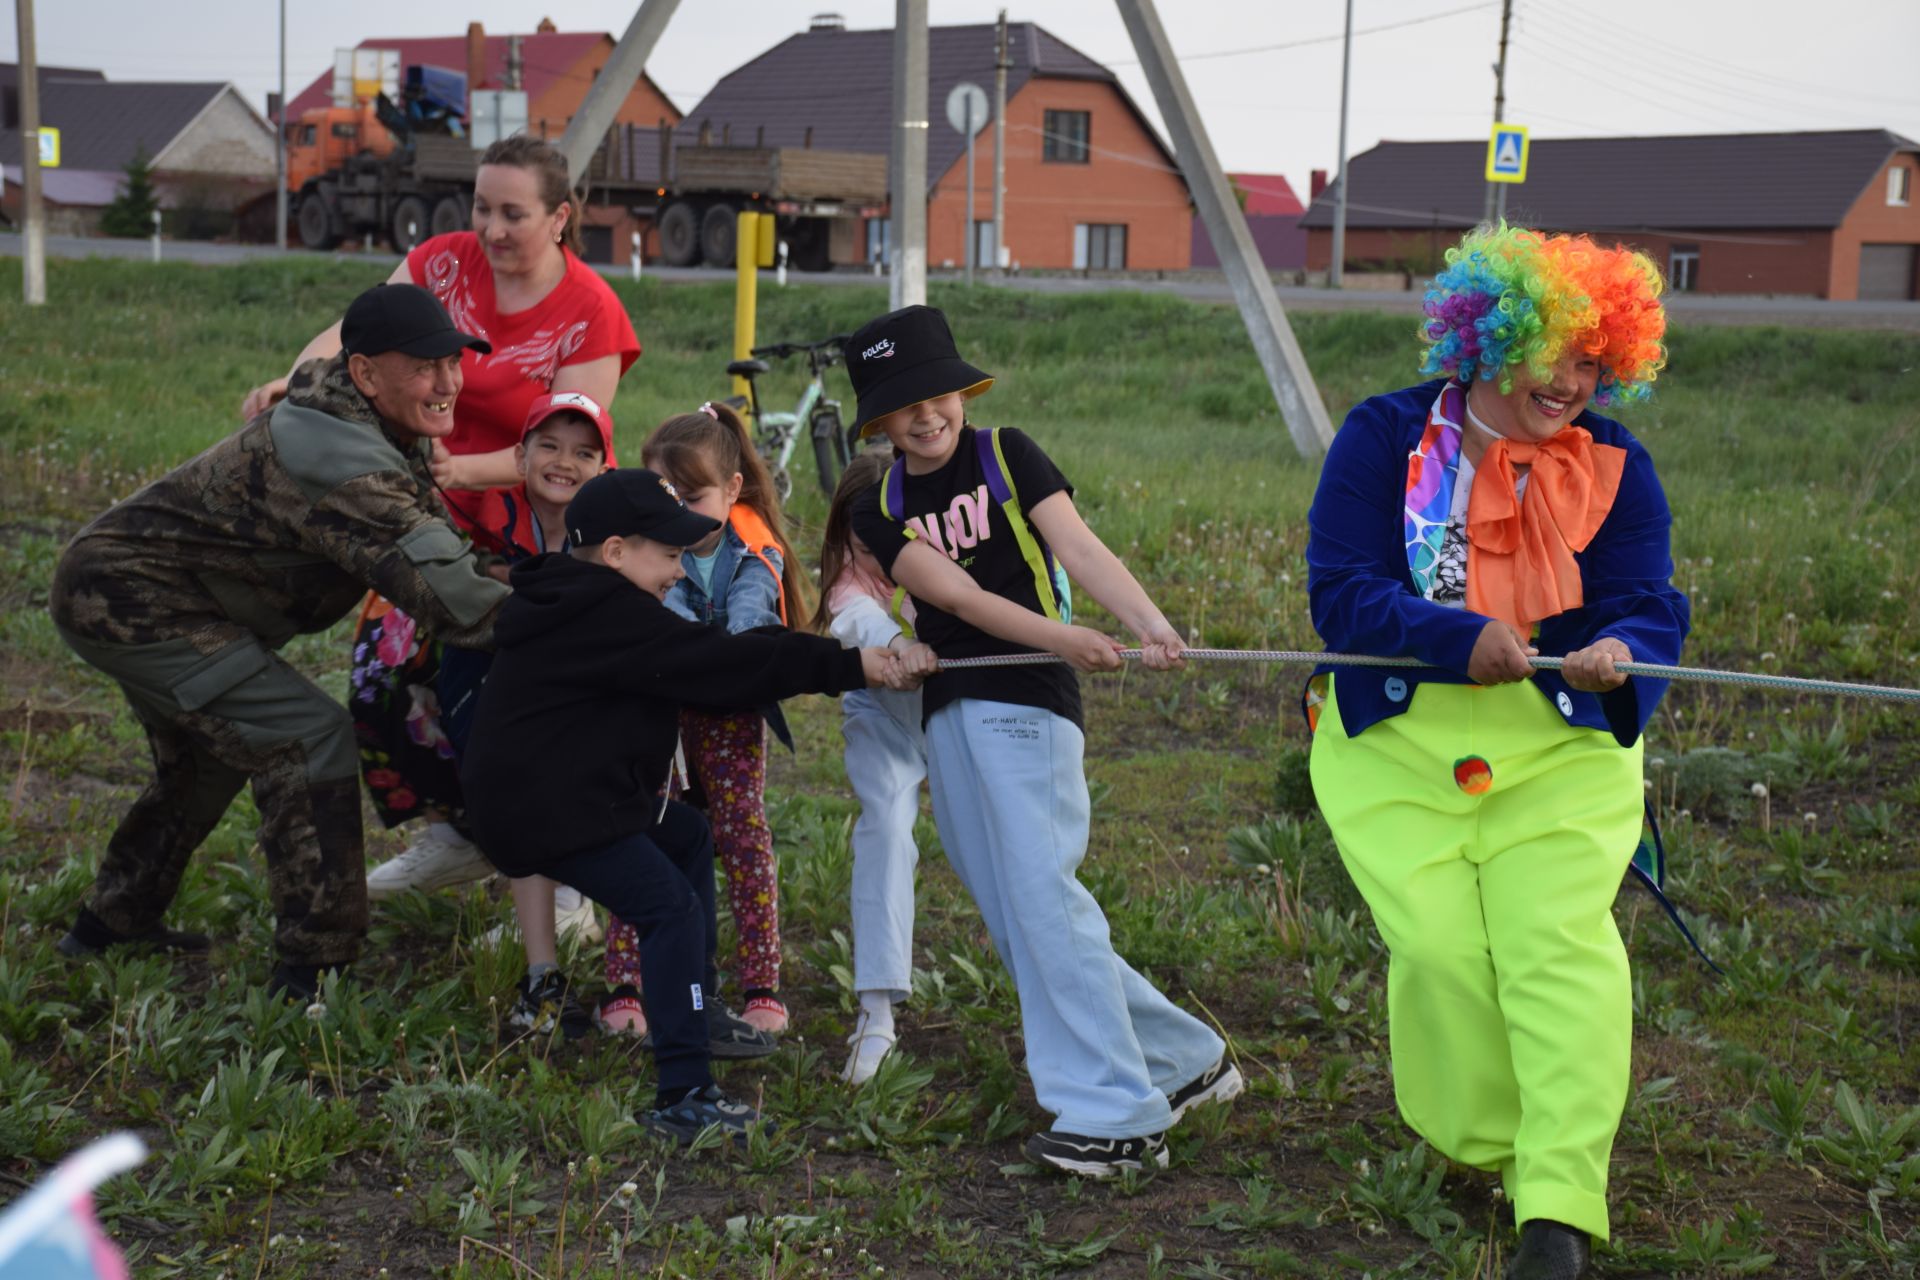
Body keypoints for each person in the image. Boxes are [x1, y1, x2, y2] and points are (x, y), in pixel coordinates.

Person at [1303, 225, 1687, 1280]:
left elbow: (1648, 603)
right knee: (1438, 952)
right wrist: (1452, 636)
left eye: (1594, 361)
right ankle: (1493, 1141)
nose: (1572, 381)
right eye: (1554, 351)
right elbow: (1340, 591)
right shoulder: (1384, 436)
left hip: (1557, 746)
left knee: (1556, 949)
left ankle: (1556, 1203)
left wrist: (1623, 648)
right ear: (1492, 335)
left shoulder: (1617, 462)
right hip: (1397, 739)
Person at [846, 305, 1244, 1178]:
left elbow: (1079, 547)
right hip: (951, 705)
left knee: (1041, 895)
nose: (926, 416)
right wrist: (1070, 635)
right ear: (877, 419)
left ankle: (1116, 1115)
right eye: (902, 406)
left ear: (962, 387)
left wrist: (1148, 623)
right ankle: (1185, 1062)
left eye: (938, 394)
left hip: (1028, 698)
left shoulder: (1007, 453)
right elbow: (952, 595)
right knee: (1019, 916)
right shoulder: (880, 505)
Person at [49, 283, 508, 1000]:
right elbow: (458, 602)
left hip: (147, 593)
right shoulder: (338, 451)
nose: (448, 382)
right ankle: (312, 968)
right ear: (364, 373)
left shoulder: (372, 422)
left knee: (206, 761)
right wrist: (591, 623)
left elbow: (444, 560)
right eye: (425, 366)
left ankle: (108, 925)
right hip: (128, 601)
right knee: (303, 736)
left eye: (454, 361)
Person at [242, 134, 642, 908]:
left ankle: (566, 880)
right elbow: (358, 332)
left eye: (513, 213)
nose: (491, 228)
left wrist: (462, 469)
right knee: (382, 681)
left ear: (560, 218)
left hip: (535, 527)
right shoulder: (441, 263)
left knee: (521, 704)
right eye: (482, 207)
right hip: (423, 511)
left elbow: (575, 439)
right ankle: (463, 836)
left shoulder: (592, 310)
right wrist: (294, 380)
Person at [458, 468, 909, 1141]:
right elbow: (726, 664)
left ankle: (693, 1010)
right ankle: (684, 1090)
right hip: (551, 811)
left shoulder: (576, 597)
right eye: (668, 555)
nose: (679, 570)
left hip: (562, 791)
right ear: (615, 552)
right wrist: (851, 664)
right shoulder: (613, 616)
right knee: (668, 907)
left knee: (688, 835)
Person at [594, 403, 816, 1039]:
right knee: (642, 829)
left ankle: (760, 985)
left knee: (743, 838)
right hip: (656, 714)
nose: (681, 514)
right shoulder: (640, 545)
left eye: (693, 497)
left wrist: (712, 651)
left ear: (733, 491)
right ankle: (626, 981)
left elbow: (747, 624)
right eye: (668, 497)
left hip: (727, 715)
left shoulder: (754, 555)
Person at [438, 391, 618, 1039]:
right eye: (548, 444)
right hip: (500, 680)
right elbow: (460, 574)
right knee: (517, 790)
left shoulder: (609, 527)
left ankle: (579, 938)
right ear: (519, 455)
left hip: (574, 686)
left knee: (567, 790)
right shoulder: (488, 511)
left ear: (604, 467)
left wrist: (514, 581)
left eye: (583, 452)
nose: (563, 461)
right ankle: (542, 974)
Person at [811, 452, 934, 1084]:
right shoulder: (848, 587)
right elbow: (858, 620)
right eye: (863, 544)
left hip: (951, 710)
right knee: (885, 829)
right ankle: (876, 1013)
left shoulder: (943, 552)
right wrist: (896, 647)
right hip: (881, 712)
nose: (880, 559)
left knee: (996, 841)